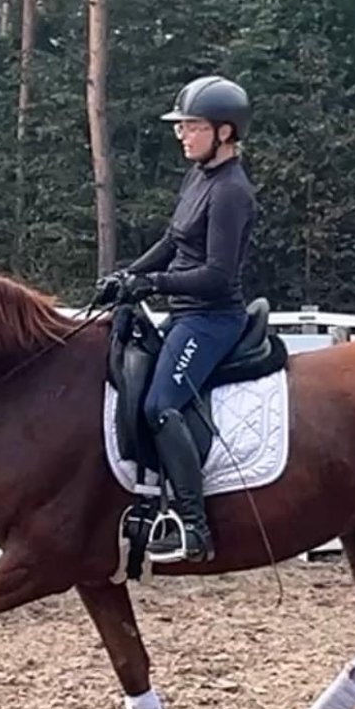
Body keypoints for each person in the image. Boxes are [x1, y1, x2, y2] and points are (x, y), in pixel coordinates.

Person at [97, 75, 256, 563]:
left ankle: (194, 526)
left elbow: (215, 274)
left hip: (212, 318)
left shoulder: (231, 191)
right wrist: (126, 275)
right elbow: (172, 243)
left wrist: (153, 285)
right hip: (184, 313)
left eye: (191, 126)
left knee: (161, 405)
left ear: (224, 132)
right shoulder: (199, 177)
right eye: (180, 127)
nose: (182, 135)